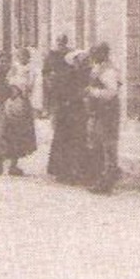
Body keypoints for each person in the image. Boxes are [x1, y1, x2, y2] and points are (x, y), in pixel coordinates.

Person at [83, 42, 122, 195]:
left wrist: (92, 92)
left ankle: (107, 180)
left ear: (104, 54)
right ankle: (101, 177)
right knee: (95, 144)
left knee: (107, 145)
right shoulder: (97, 68)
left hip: (107, 112)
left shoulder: (109, 71)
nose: (92, 56)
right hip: (97, 112)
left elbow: (111, 92)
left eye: (96, 53)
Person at [0, 51, 37, 175]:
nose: (3, 64)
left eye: (5, 61)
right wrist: (10, 92)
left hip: (18, 108)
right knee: (0, 135)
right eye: (0, 61)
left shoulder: (16, 73)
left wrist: (19, 92)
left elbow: (27, 87)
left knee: (17, 135)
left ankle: (13, 165)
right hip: (3, 108)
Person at [46, 50, 90, 183]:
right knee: (64, 142)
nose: (83, 64)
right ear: (74, 62)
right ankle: (63, 172)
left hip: (80, 112)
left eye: (84, 62)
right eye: (80, 62)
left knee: (79, 141)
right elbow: (60, 93)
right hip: (66, 112)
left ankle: (78, 171)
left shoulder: (87, 75)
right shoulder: (66, 75)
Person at [40, 34, 70, 119]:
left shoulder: (69, 54)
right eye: (59, 42)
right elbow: (45, 71)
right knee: (55, 107)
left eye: (63, 43)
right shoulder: (51, 54)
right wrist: (48, 79)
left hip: (66, 83)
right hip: (54, 83)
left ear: (65, 43)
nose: (61, 45)